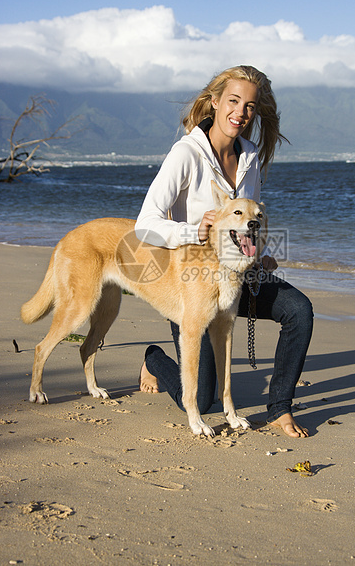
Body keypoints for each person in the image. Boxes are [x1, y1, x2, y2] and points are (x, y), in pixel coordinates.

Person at [135, 65, 313, 438]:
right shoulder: (185, 154)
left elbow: (251, 222)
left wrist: (260, 252)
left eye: (249, 106)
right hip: (194, 281)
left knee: (298, 309)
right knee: (201, 399)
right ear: (214, 102)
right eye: (233, 101)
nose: (241, 112)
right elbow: (145, 223)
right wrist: (192, 230)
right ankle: (153, 359)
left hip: (239, 277)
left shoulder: (250, 158)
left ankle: (280, 409)